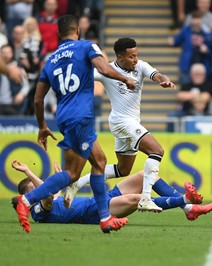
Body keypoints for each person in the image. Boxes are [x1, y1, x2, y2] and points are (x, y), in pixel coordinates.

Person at [11, 14, 136, 234]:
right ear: (77, 30)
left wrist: (42, 126)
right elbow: (105, 69)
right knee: (72, 173)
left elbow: (38, 99)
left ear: (59, 34)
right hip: (81, 115)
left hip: (64, 117)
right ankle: (28, 199)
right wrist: (126, 79)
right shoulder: (87, 46)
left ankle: (105, 219)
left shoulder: (50, 60)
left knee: (99, 162)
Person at [65, 37, 176, 213]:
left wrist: (164, 80)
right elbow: (81, 77)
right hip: (121, 121)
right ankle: (145, 198)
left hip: (130, 122)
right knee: (157, 151)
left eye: (136, 55)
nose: (136, 59)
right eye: (132, 56)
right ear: (120, 57)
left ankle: (78, 183)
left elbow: (157, 74)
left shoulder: (140, 66)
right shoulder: (106, 70)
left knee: (123, 169)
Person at [12, 160, 212, 224]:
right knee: (138, 199)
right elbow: (46, 195)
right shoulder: (39, 212)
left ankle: (188, 208)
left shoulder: (49, 199)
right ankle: (185, 201)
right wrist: (56, 183)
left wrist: (29, 172)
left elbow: (47, 192)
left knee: (144, 175)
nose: (39, 189)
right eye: (34, 191)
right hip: (95, 213)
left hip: (100, 199)